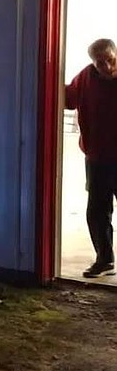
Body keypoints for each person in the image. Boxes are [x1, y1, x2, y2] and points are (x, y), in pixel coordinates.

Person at [65, 37, 117, 278]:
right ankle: (104, 259)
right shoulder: (85, 78)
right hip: (97, 157)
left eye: (110, 60)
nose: (106, 66)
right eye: (100, 63)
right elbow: (68, 98)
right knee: (97, 211)